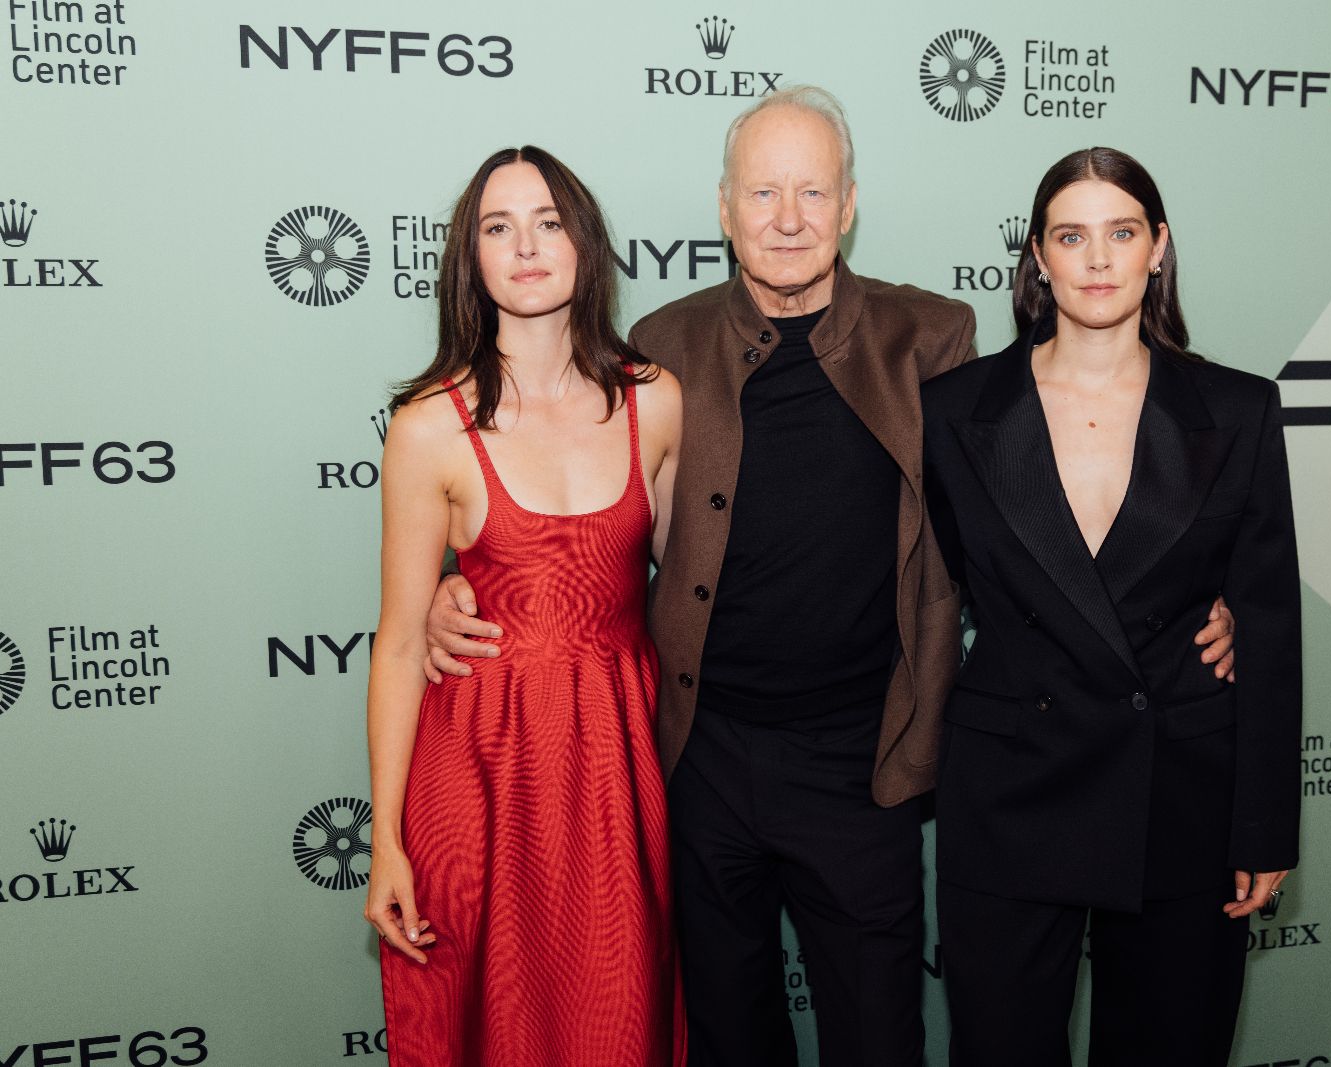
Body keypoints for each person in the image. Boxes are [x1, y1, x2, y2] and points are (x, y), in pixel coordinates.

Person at [425, 93, 1236, 1067]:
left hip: (862, 763)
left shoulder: (929, 336)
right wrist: (460, 580)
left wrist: (1175, 598)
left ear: (849, 205)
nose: (788, 218)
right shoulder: (660, 345)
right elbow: (569, 486)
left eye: (813, 192)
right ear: (724, 208)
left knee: (877, 1038)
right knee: (728, 1036)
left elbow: (1032, 503)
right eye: (762, 192)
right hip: (700, 757)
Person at [921, 146, 1302, 1066]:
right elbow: (932, 581)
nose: (1098, 259)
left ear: (1158, 246)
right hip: (1011, 789)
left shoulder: (1239, 409)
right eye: (1071, 236)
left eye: (1122, 232)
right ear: (1038, 256)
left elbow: (1270, 625)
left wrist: (1263, 824)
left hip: (1181, 789)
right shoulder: (953, 410)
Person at [364, 145, 686, 1067]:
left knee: (617, 1017)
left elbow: (694, 581)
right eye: (498, 228)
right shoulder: (429, 425)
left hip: (615, 764)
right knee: (489, 1024)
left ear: (584, 242)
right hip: (477, 770)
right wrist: (385, 841)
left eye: (549, 222)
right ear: (470, 258)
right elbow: (399, 645)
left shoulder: (655, 400)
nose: (528, 246)